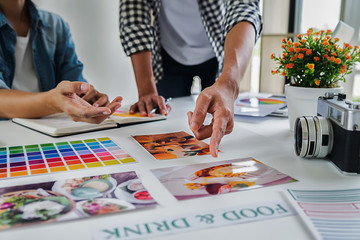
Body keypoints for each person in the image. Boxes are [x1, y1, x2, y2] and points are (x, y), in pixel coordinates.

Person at [119, 0, 262, 157]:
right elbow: (135, 18)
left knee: (221, 122)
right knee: (162, 121)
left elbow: (244, 8)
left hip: (219, 51)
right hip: (169, 55)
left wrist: (228, 85)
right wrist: (146, 89)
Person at [0, 0, 122, 123]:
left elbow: (73, 83)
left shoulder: (55, 25)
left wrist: (87, 99)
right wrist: (53, 102)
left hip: (48, 128)